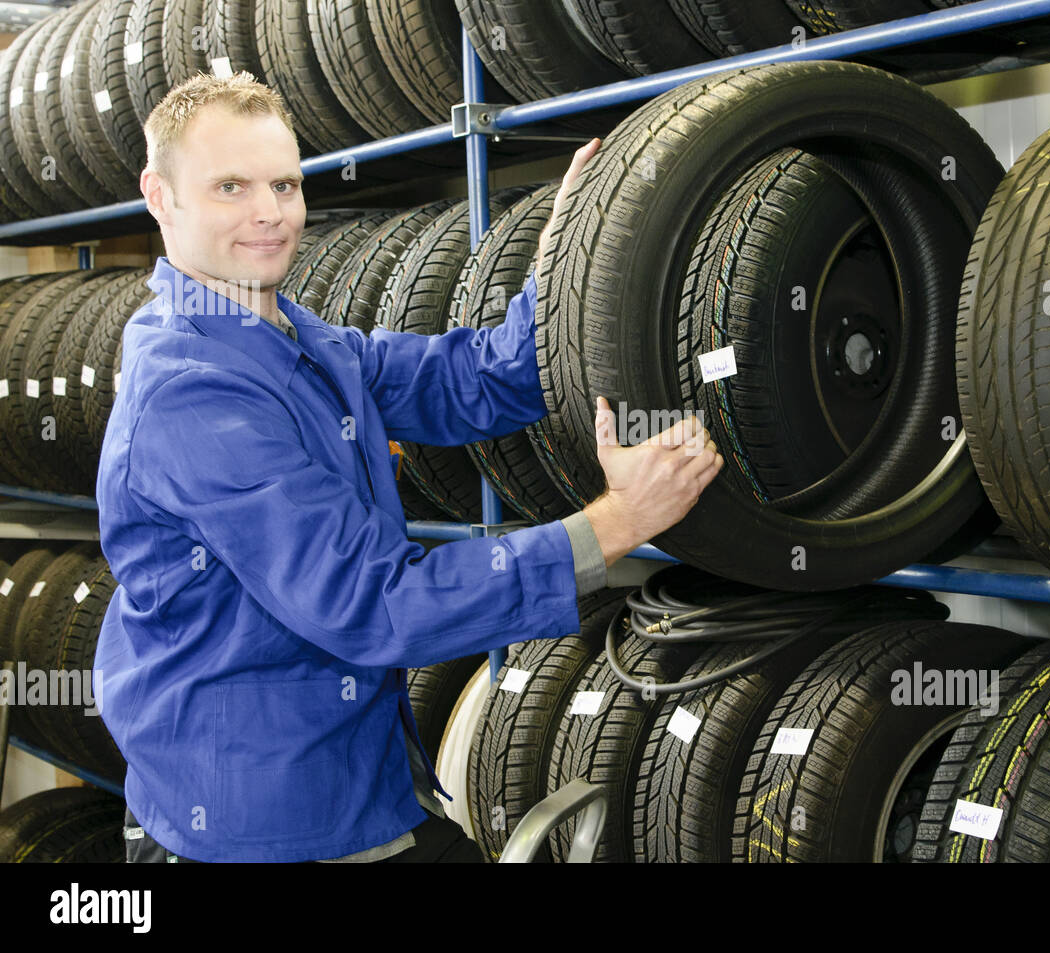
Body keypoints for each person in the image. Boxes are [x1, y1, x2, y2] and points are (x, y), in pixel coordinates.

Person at [93, 72, 724, 863]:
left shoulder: (300, 342)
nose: (269, 213)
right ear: (160, 195)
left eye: (284, 184)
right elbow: (374, 602)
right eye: (231, 186)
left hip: (356, 773)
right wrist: (617, 522)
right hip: (257, 822)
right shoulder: (193, 396)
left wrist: (572, 251)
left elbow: (485, 378)